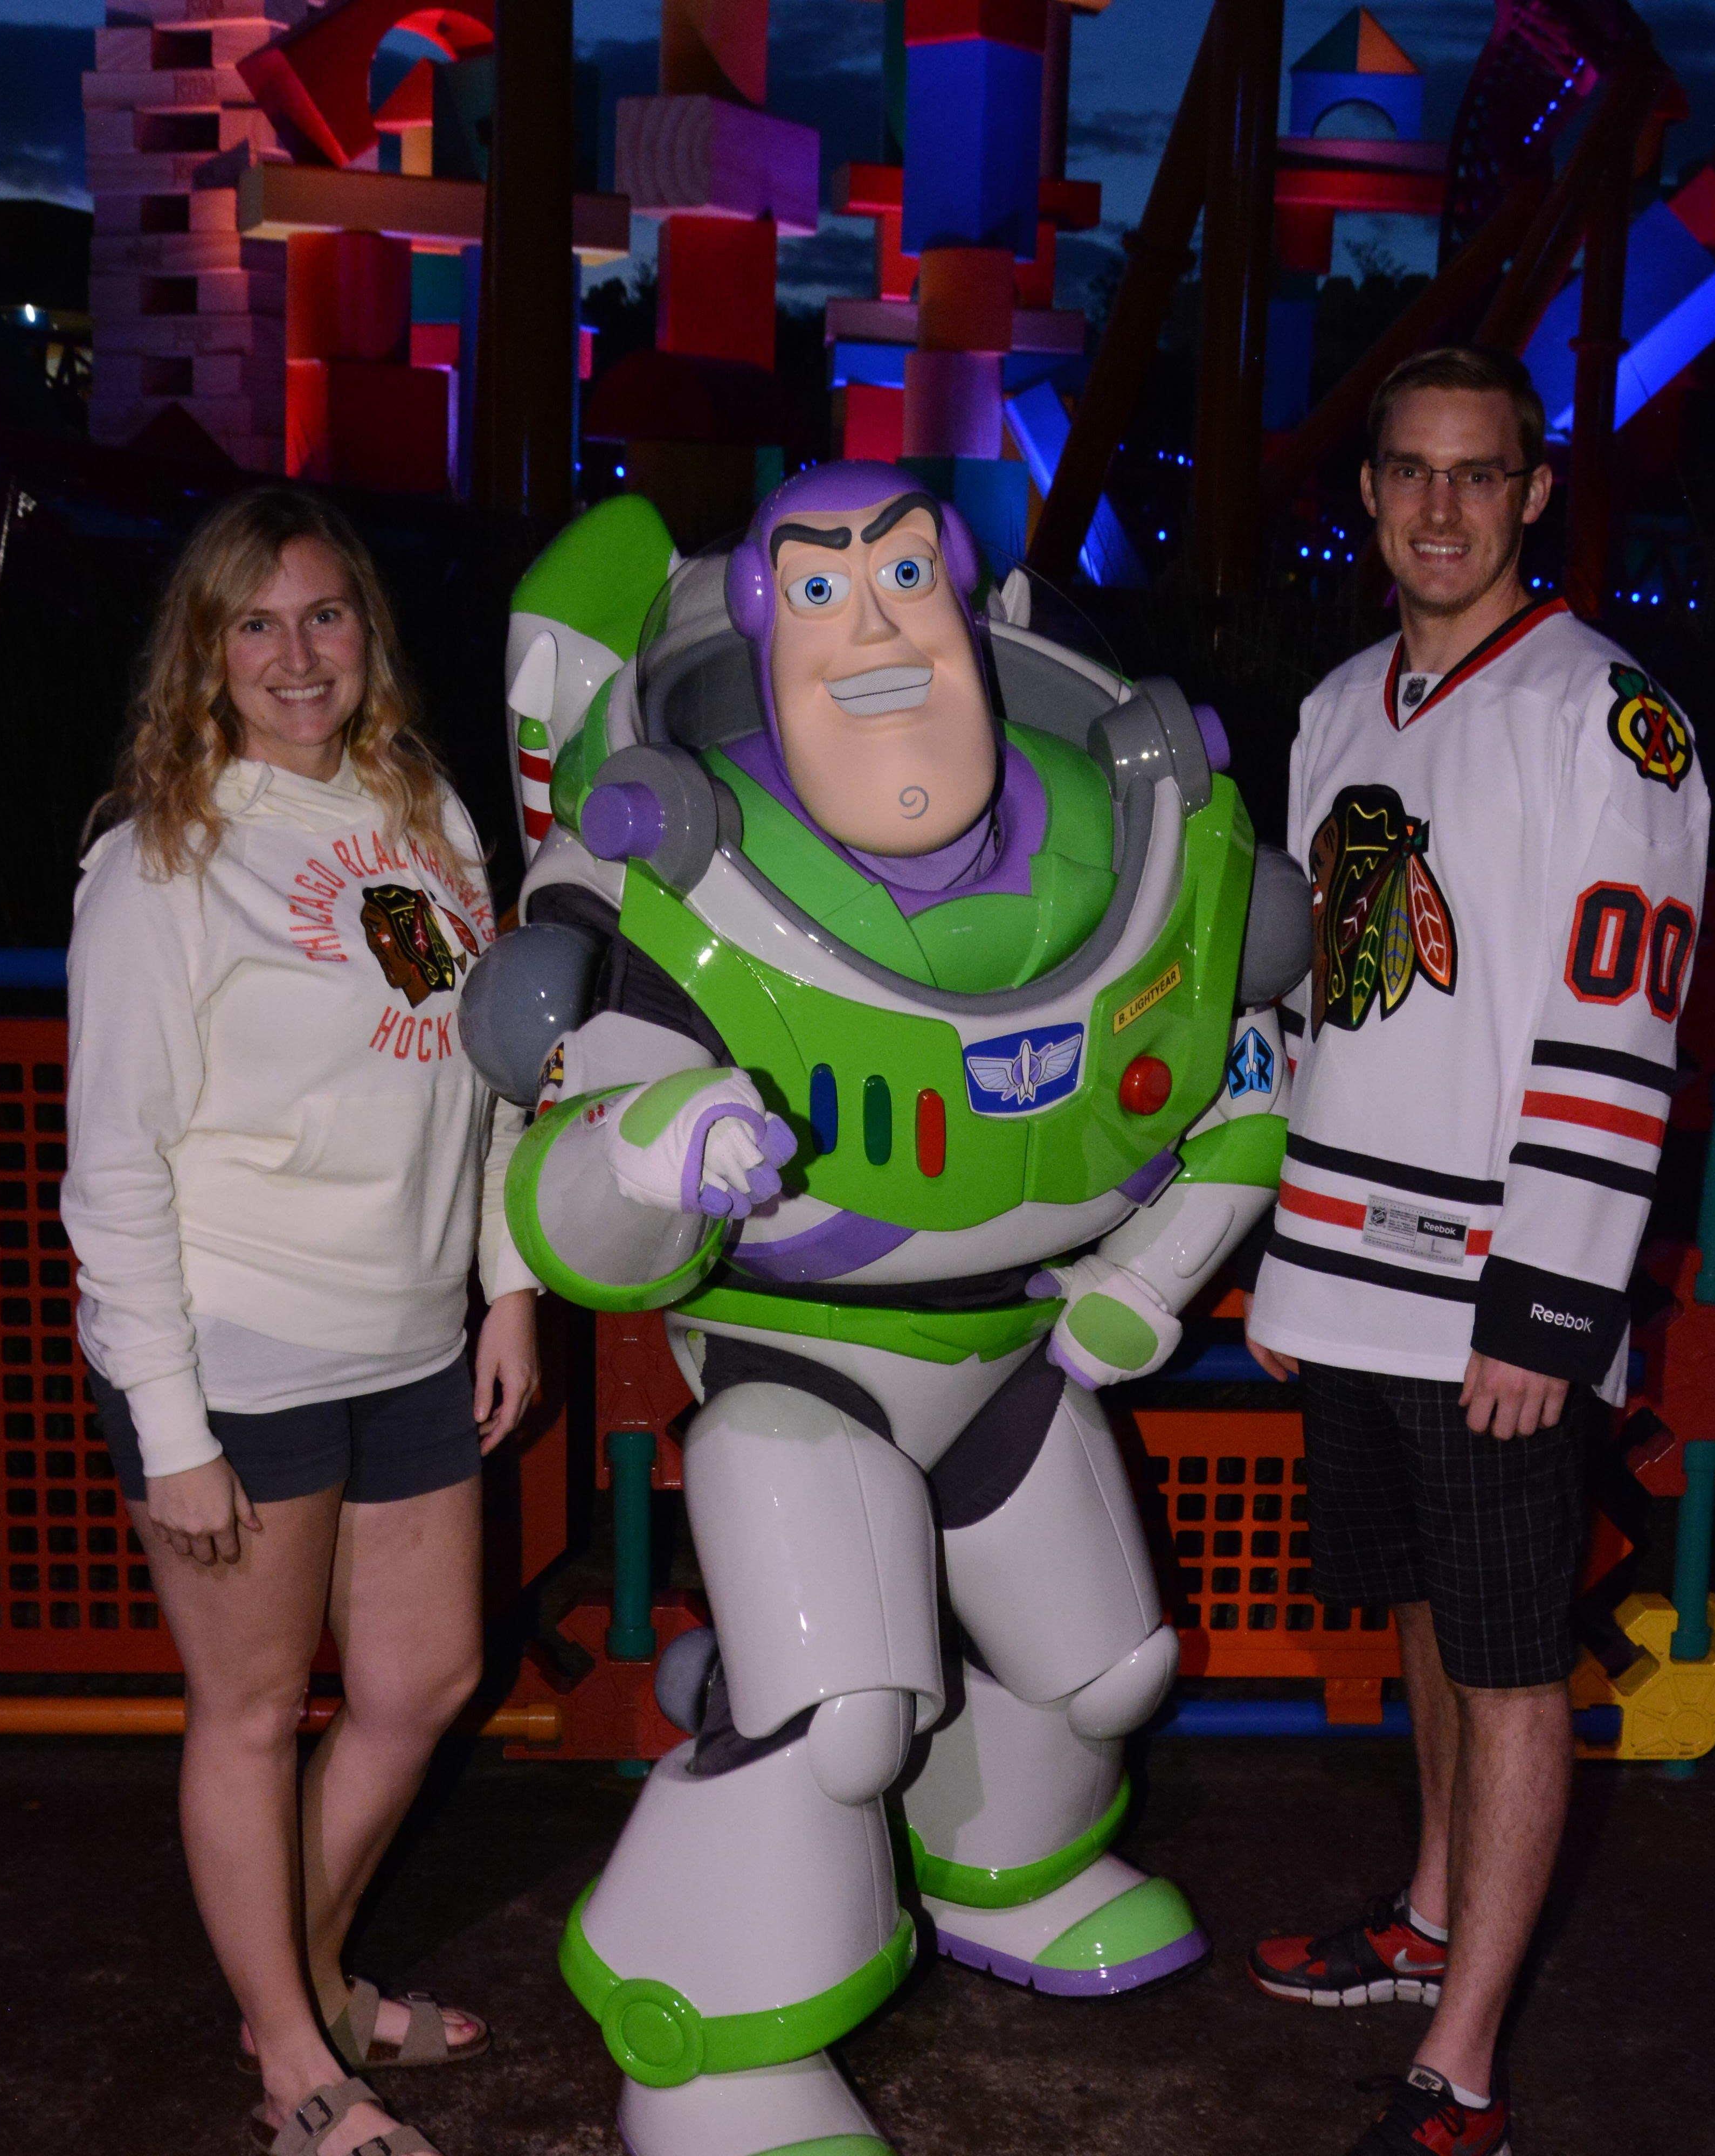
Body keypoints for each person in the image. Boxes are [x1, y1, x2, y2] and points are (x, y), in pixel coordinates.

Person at [461, 462, 1304, 2156]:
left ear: (970, 605)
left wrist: (1149, 1281)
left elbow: (1241, 1093)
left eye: (907, 577)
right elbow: (560, 1193)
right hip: (806, 1372)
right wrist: (650, 1152)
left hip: (1010, 1354)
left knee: (1113, 1672)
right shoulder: (682, 869)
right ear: (762, 630)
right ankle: (703, 2044)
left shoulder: (1112, 845)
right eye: (822, 592)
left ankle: (1004, 1866)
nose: (875, 629)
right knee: (847, 1717)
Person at [1244, 348, 1710, 2156]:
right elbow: (1307, 1013)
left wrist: (1553, 1301)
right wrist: (1288, 1257)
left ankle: (1467, 2066)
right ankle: (1429, 1915)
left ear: (1533, 492)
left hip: (1499, 1289)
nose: (1442, 507)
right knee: (1432, 1611)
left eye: (1479, 474)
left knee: (1514, 1663)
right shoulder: (1335, 709)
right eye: (1412, 473)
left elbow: (1619, 1024)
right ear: (1370, 493)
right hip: (1350, 1269)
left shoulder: (1611, 718)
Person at [61, 485, 542, 2156]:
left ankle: (309, 1984)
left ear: (366, 635)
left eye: (323, 615)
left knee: (425, 1679)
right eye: (254, 624)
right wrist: (172, 1429)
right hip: (236, 1349)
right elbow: (114, 1164)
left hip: (410, 1335)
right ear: (204, 651)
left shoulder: (426, 813)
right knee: (255, 1713)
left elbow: (490, 1075)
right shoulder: (162, 858)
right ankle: (291, 2059)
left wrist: (507, 1285)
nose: (295, 654)